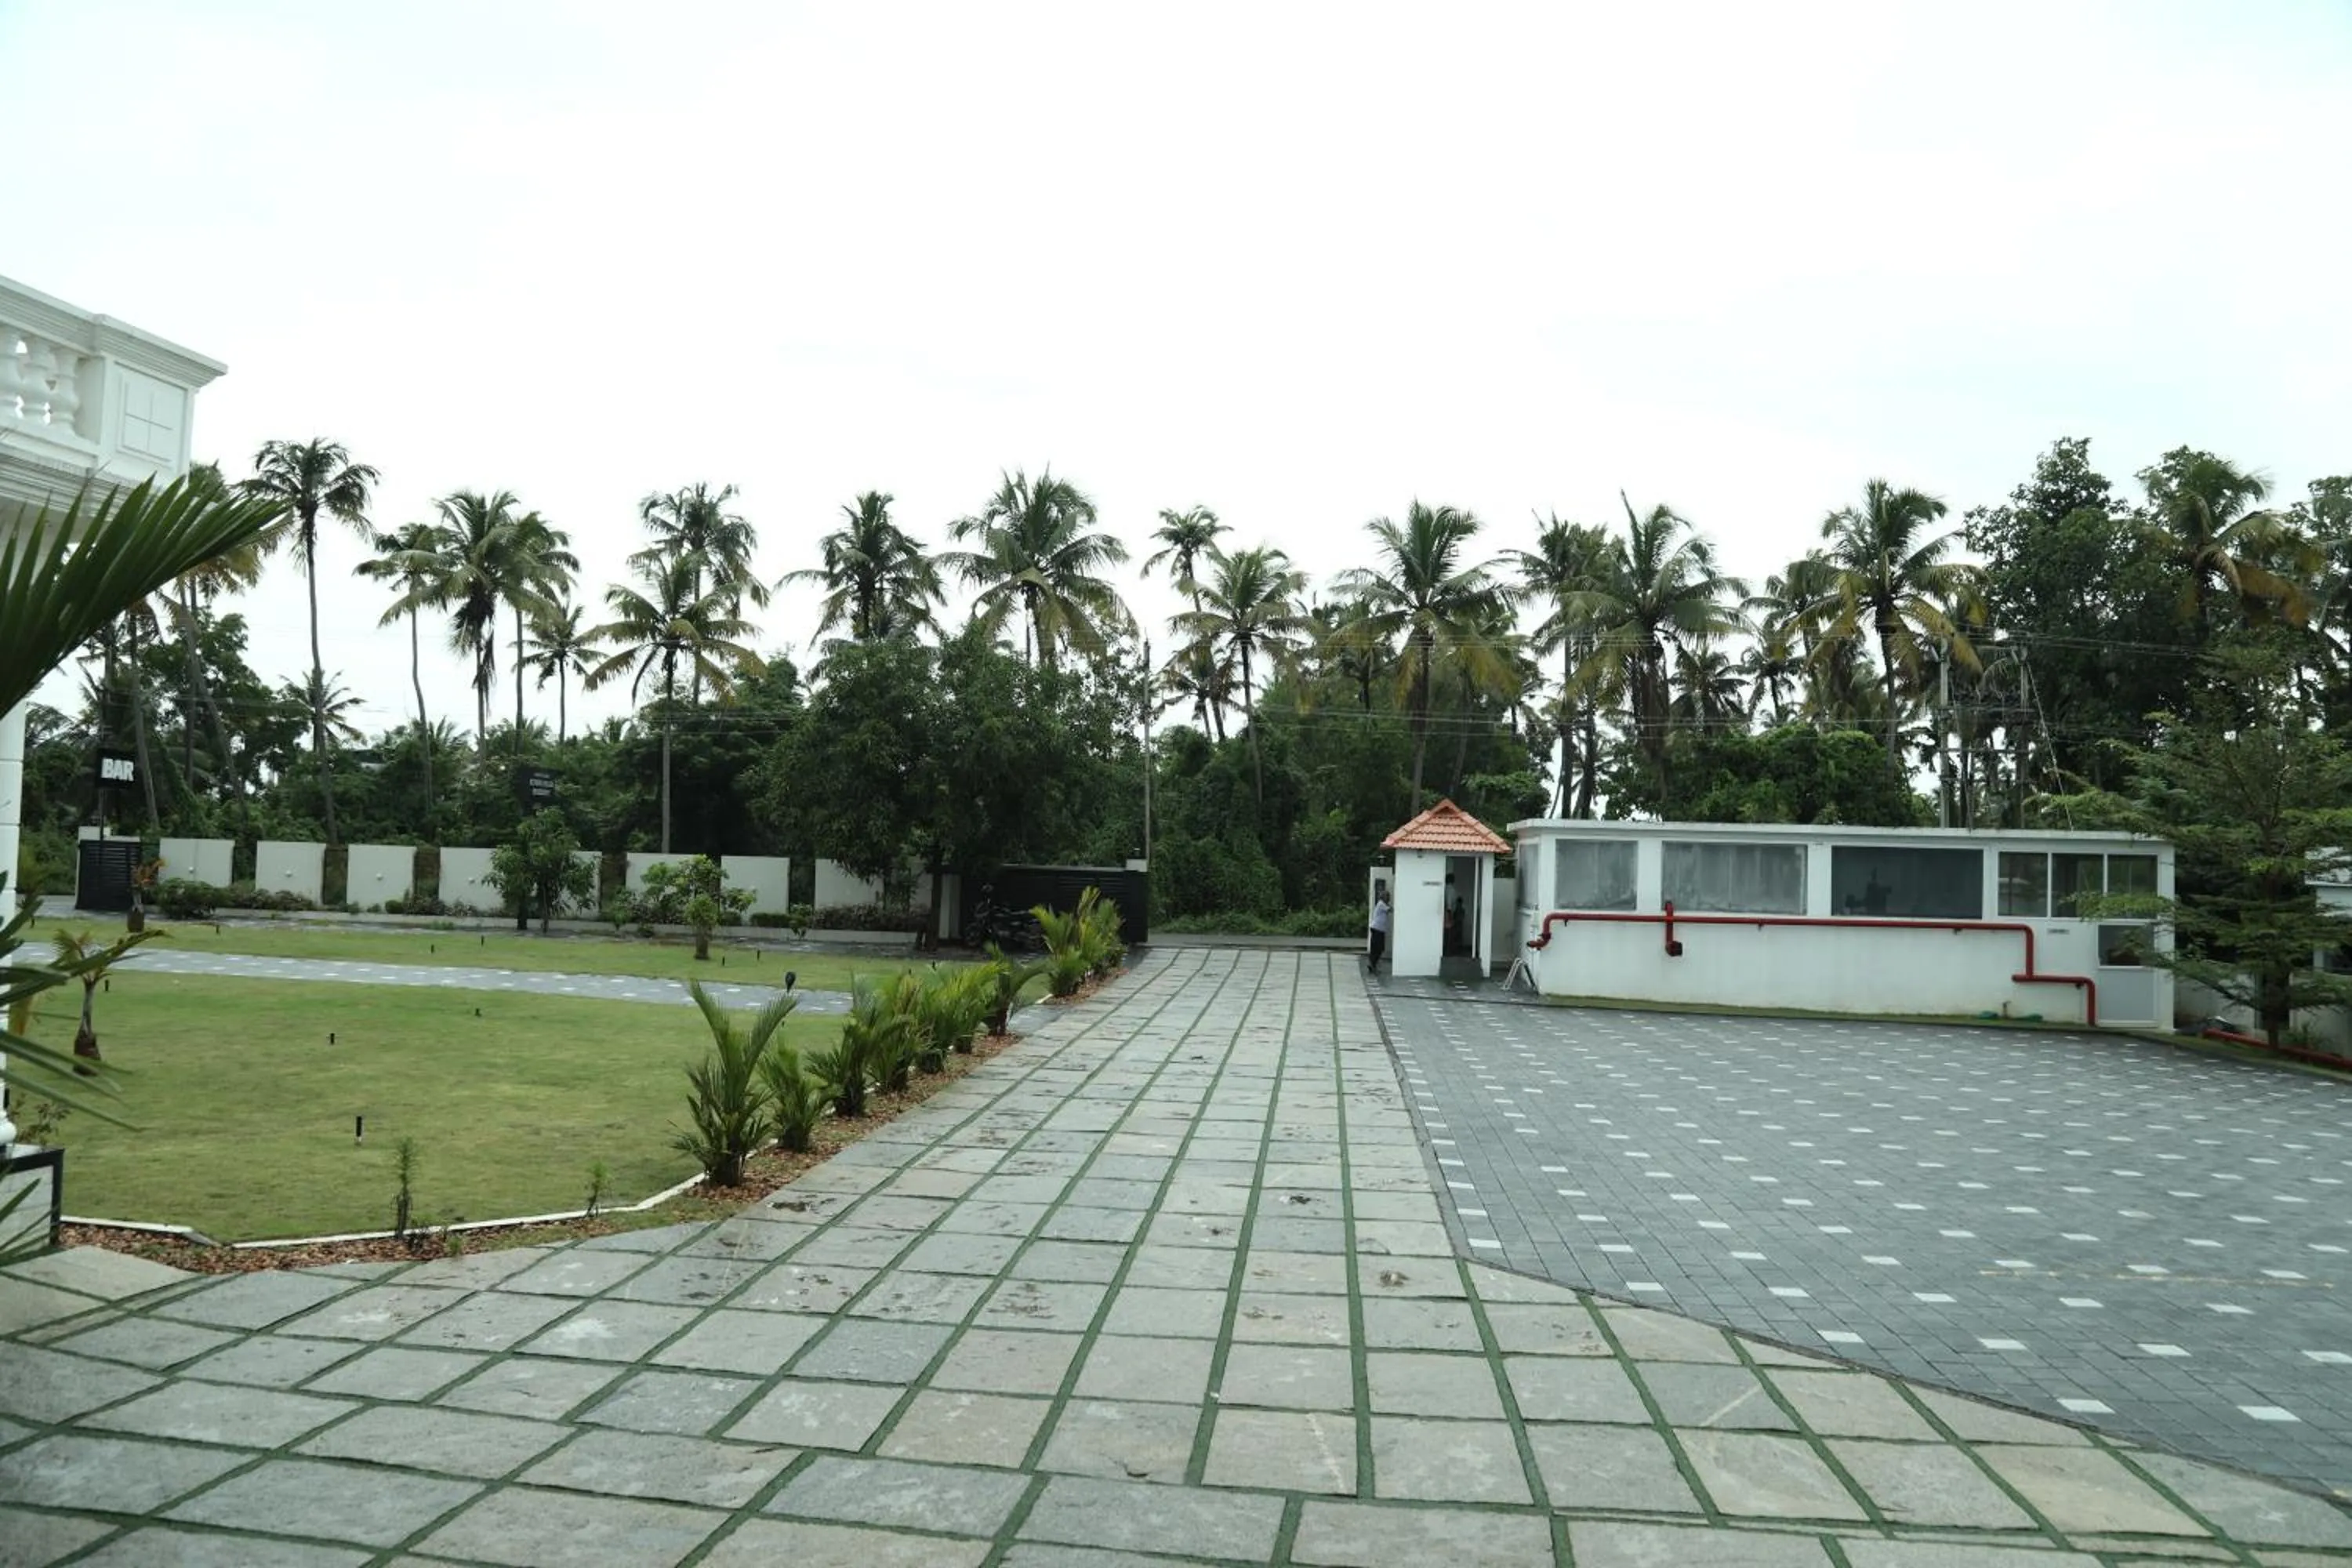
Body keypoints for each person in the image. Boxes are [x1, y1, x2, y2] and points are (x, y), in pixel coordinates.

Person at [1367, 887, 1392, 974]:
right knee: (1377, 948)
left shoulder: (1382, 904)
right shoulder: (1381, 904)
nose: (1389, 899)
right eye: (1388, 897)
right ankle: (1372, 964)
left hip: (1379, 929)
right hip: (1377, 929)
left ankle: (1373, 964)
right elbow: (1390, 910)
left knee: (1379, 948)